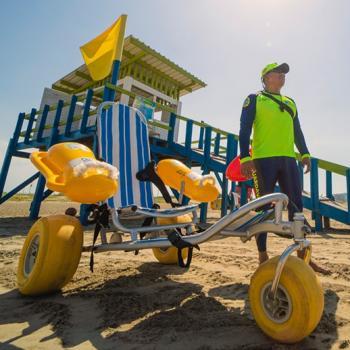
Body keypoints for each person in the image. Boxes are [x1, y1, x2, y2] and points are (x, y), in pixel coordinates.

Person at [238, 62, 328, 273]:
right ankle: (262, 255)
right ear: (266, 77)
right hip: (263, 161)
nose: (281, 76)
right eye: (277, 73)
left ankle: (304, 257)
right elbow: (244, 129)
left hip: (288, 160)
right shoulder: (254, 99)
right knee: (264, 209)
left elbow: (298, 131)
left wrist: (305, 154)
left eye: (283, 74)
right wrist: (244, 158)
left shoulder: (290, 102)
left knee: (296, 207)